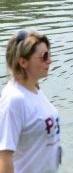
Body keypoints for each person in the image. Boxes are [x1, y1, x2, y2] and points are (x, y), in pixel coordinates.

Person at [0, 29, 61, 173]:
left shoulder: (34, 90)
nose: (50, 60)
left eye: (49, 54)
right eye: (44, 56)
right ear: (23, 62)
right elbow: (4, 157)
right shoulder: (14, 100)